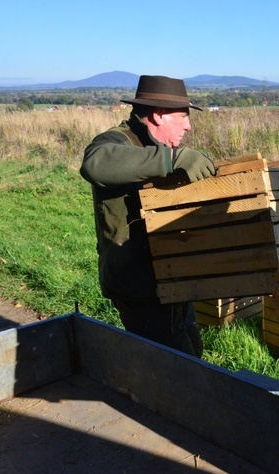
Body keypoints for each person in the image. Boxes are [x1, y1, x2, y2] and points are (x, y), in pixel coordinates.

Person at [80, 75, 216, 357]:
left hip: (173, 275)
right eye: (183, 117)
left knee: (193, 351)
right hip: (138, 284)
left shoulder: (160, 147)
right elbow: (95, 164)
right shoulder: (116, 140)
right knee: (172, 367)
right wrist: (171, 160)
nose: (189, 126)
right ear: (159, 115)